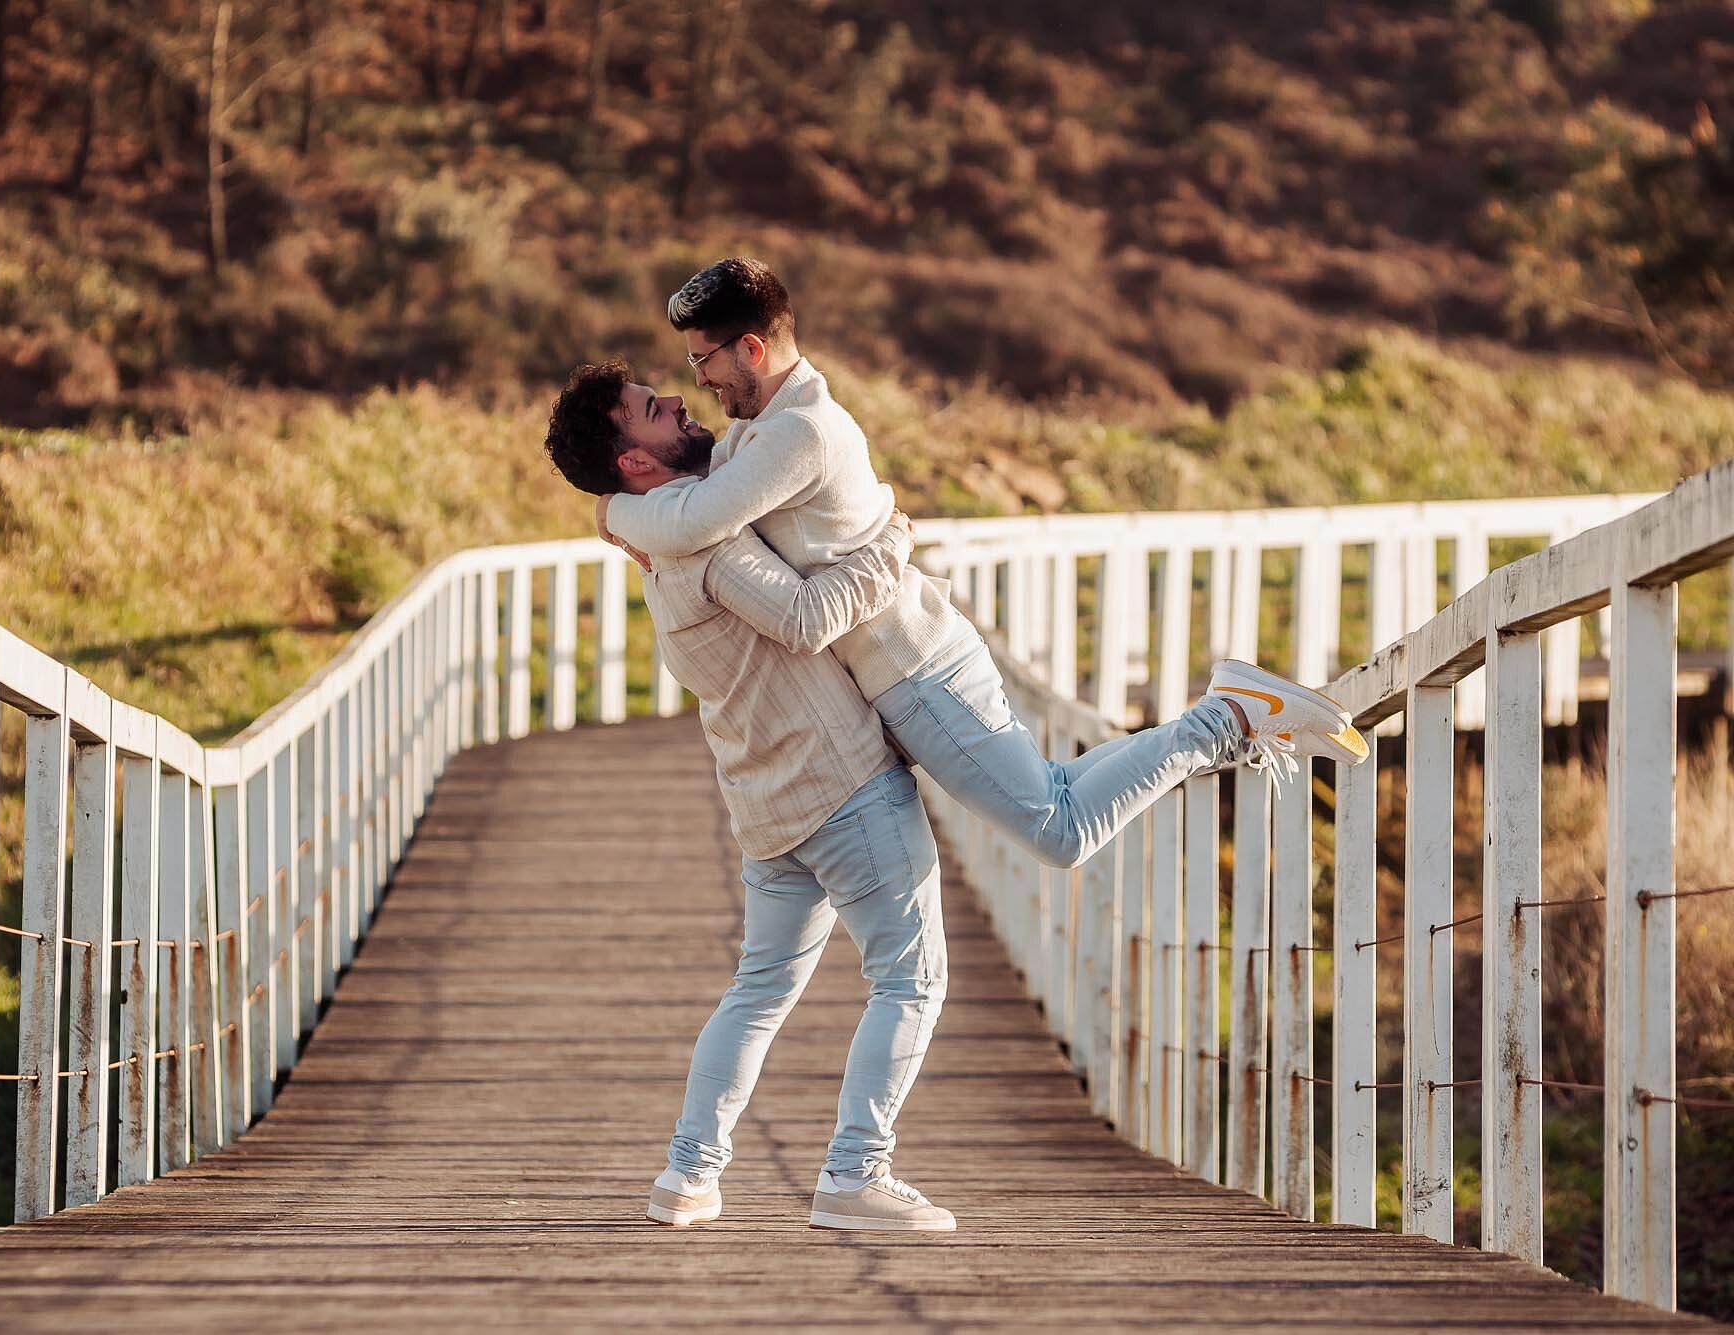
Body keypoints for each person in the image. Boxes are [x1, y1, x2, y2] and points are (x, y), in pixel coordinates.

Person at [591, 257, 1369, 878]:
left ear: (751, 348)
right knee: (1056, 801)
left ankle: (1228, 717)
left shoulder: (799, 434)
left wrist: (612, 511)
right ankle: (1231, 713)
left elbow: (692, 518)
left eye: (703, 360)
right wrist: (611, 512)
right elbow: (691, 507)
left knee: (1060, 830)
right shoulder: (759, 433)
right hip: (911, 666)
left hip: (916, 670)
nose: (698, 380)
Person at [543, 360, 959, 1232]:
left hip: (767, 809)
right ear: (636, 463)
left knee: (759, 991)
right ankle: (855, 1174)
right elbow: (809, 619)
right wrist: (892, 541)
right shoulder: (708, 546)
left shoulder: (660, 540)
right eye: (652, 411)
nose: (675, 403)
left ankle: (688, 1174)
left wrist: (616, 512)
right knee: (912, 979)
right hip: (840, 784)